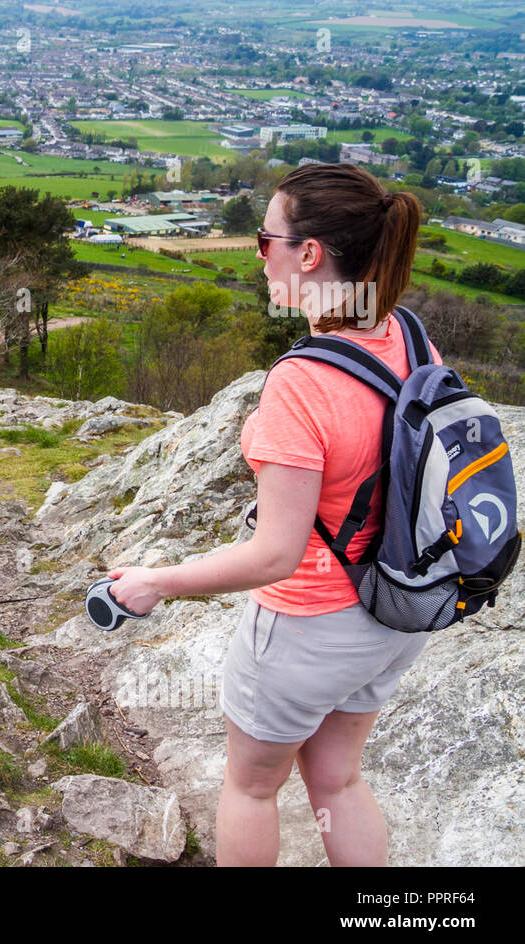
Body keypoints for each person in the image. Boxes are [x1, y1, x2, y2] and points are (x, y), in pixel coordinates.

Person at [106, 162, 430, 866]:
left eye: (264, 239)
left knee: (251, 788)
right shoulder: (406, 336)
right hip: (399, 612)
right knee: (339, 779)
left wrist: (157, 580)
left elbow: (276, 554)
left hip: (312, 621)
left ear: (307, 254)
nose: (259, 256)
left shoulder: (303, 382)